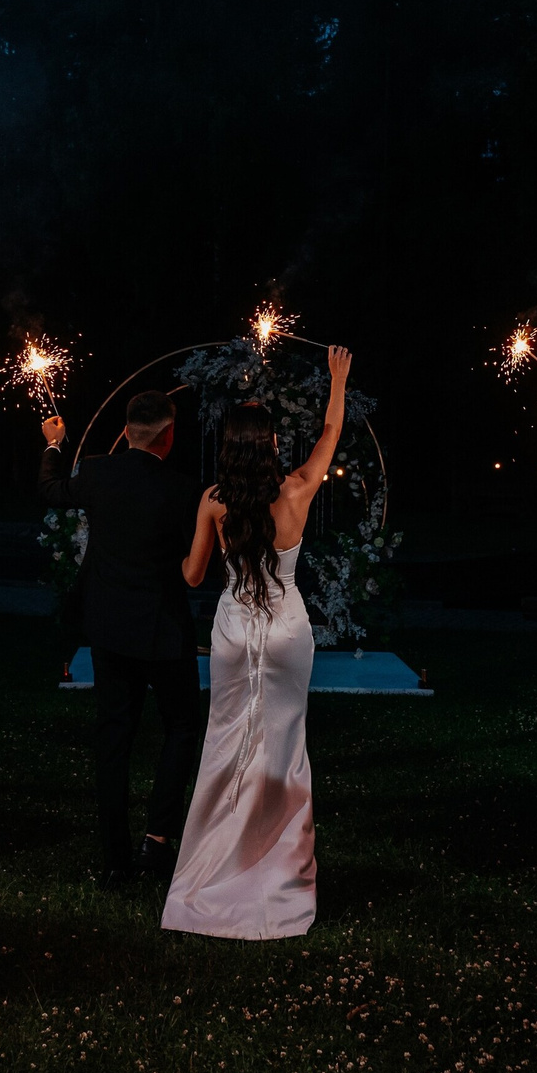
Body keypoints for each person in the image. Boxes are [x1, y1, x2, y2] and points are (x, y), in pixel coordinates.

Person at [165, 347, 351, 939]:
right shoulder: (296, 488)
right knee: (284, 751)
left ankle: (215, 868)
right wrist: (337, 380)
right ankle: (279, 878)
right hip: (288, 630)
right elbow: (331, 431)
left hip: (235, 630)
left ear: (230, 446)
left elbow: (193, 577)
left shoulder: (214, 501)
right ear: (271, 443)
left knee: (225, 745)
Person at [38, 393, 207, 889]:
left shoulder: (96, 472)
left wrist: (53, 445)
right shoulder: (182, 489)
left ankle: (115, 861)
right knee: (181, 726)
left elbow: (50, 490)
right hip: (163, 630)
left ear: (128, 429)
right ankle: (156, 840)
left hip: (109, 629)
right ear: (169, 434)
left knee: (114, 740)